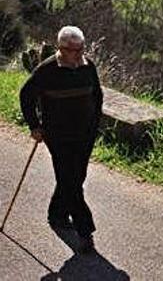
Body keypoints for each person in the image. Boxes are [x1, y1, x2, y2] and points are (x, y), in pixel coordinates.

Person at [19, 26, 103, 254]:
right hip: (58, 135)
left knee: (76, 177)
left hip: (84, 135)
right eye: (74, 50)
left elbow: (97, 96)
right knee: (71, 181)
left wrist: (95, 125)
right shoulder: (46, 71)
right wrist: (34, 126)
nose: (79, 54)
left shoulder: (88, 67)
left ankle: (57, 214)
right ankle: (85, 232)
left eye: (81, 49)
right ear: (61, 49)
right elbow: (26, 96)